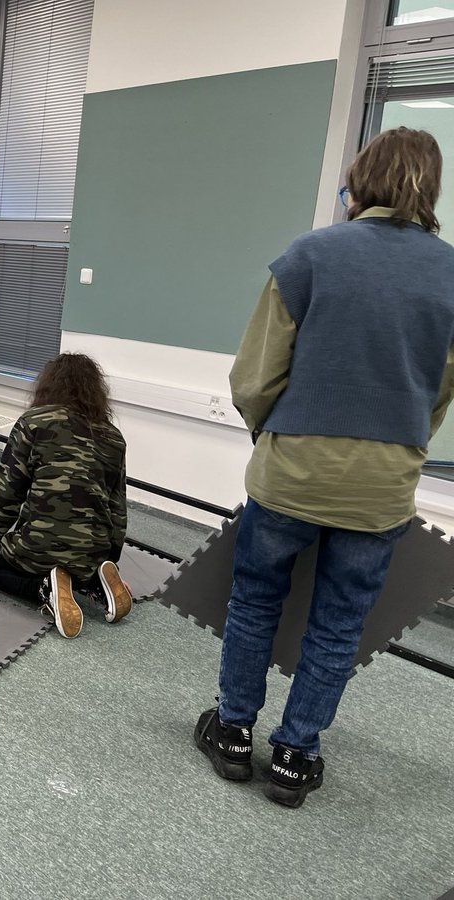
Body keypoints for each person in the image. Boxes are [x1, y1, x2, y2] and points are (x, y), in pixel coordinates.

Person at [195, 126, 454, 809]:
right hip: (383, 486)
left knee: (255, 602)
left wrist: (273, 436)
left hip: (293, 469)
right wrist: (397, 444)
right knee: (339, 624)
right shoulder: (452, 275)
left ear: (359, 180)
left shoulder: (309, 256)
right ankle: (294, 754)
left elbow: (254, 378)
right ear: (430, 188)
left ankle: (231, 730)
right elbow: (439, 391)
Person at [0, 353, 129, 639]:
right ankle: (97, 580)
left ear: (48, 386)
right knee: (79, 567)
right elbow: (117, 507)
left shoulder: (34, 422)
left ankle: (44, 587)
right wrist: (109, 559)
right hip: (93, 551)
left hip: (37, 546)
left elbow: (5, 493)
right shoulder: (113, 437)